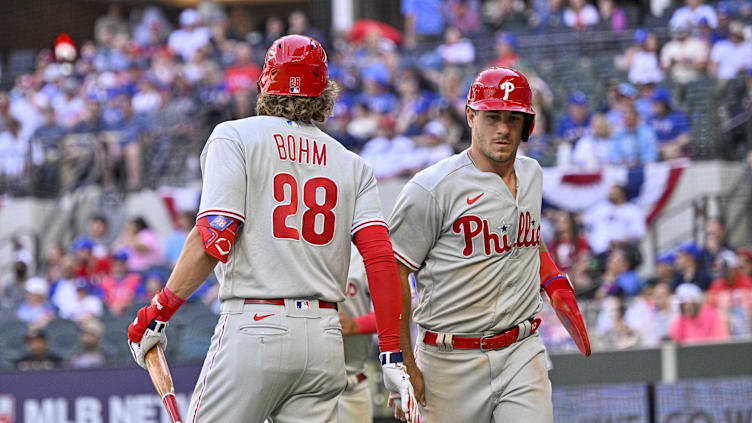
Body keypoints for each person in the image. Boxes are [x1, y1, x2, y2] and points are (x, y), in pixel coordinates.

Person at [127, 35, 416, 423]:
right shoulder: (353, 164)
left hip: (256, 326)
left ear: (265, 83)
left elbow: (214, 238)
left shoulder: (235, 136)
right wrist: (392, 353)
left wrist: (159, 310)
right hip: (325, 340)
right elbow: (381, 259)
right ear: (324, 92)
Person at [387, 67, 590, 423]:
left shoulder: (533, 174)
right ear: (470, 116)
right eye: (492, 116)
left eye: (514, 118)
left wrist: (552, 277)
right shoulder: (430, 189)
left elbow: (523, 236)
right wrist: (403, 362)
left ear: (528, 124)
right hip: (449, 360)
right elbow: (395, 274)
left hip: (522, 348)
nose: (503, 128)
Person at [336, 249, 377, 423]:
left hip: (352, 385)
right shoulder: (300, 250)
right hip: (305, 388)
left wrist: (356, 325)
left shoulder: (363, 251)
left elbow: (395, 314)